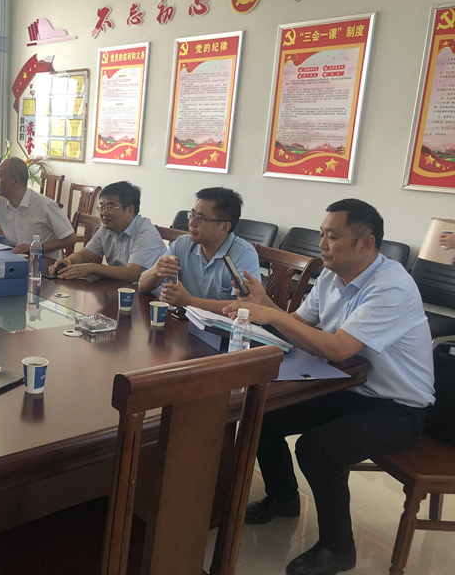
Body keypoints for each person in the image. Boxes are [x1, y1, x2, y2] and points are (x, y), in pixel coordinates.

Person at [224, 199, 434, 575]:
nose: (322, 244)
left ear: (366, 242)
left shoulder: (391, 287)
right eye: (321, 234)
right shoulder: (331, 275)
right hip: (347, 388)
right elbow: (298, 324)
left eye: (332, 237)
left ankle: (338, 549)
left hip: (398, 408)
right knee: (263, 414)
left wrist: (270, 315)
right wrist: (264, 303)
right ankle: (283, 497)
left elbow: (338, 348)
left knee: (318, 449)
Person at [139, 187, 260, 313]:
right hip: (187, 320)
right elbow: (142, 286)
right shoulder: (183, 243)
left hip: (223, 325)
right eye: (192, 215)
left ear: (224, 227)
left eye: (200, 219)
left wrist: (190, 302)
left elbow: (247, 306)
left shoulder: (244, 253)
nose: (191, 223)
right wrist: (156, 270)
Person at [49, 181, 163, 282]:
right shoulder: (107, 228)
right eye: (102, 207)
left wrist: (92, 268)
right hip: (119, 288)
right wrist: (68, 260)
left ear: (130, 210)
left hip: (152, 295)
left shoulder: (146, 233)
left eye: (110, 208)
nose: (103, 213)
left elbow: (132, 273)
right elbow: (84, 255)